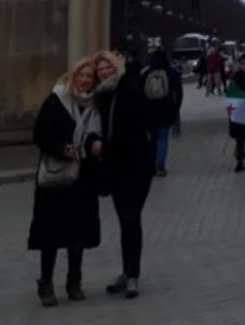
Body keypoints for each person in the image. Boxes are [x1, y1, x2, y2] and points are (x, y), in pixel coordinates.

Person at [28, 56, 103, 306]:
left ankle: (74, 281)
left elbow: (97, 133)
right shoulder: (56, 100)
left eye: (89, 77)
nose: (84, 81)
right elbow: (40, 134)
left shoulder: (95, 105)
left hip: (82, 178)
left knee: (77, 233)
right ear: (72, 77)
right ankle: (46, 282)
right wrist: (62, 149)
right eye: (81, 75)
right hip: (56, 177)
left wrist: (94, 145)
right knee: (50, 234)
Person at [94, 49, 153, 300]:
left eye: (108, 67)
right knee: (125, 220)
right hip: (115, 167)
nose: (104, 72)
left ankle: (132, 275)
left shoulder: (128, 88)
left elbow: (139, 122)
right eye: (101, 69)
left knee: (130, 218)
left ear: (116, 68)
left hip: (135, 166)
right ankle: (127, 271)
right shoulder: (98, 97)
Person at [140, 42, 182, 176]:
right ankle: (161, 165)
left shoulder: (146, 73)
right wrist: (175, 109)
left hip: (149, 112)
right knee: (163, 138)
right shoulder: (171, 72)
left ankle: (151, 164)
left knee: (152, 139)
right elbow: (178, 93)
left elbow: (139, 93)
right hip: (166, 111)